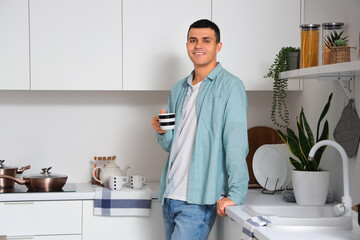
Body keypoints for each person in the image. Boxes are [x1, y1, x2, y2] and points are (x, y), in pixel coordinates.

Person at [151, 19, 249, 240]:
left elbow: (236, 145)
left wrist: (235, 194)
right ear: (187, 45)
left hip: (199, 201)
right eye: (193, 40)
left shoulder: (231, 86)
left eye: (206, 40)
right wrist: (162, 132)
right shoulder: (179, 88)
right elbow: (172, 145)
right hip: (170, 196)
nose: (198, 45)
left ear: (218, 46)